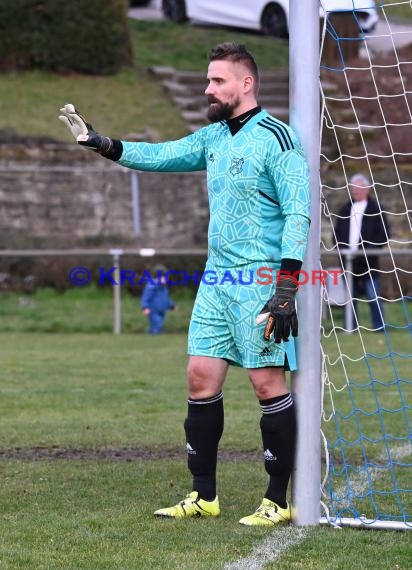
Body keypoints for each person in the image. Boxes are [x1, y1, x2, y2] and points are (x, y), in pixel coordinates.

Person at [58, 42, 311, 526]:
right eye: (208, 79)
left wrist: (286, 286)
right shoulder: (215, 137)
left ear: (246, 83)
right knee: (199, 377)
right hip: (216, 278)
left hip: (260, 278)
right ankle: (204, 496)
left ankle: (279, 500)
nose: (207, 88)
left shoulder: (278, 138)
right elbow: (162, 155)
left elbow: (298, 210)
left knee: (265, 383)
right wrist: (103, 143)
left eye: (217, 80)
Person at [333, 173, 390, 332]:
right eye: (352, 188)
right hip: (348, 261)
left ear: (367, 189)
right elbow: (336, 233)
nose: (354, 191)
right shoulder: (345, 209)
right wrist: (341, 250)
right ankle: (350, 328)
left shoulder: (376, 209)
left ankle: (379, 328)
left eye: (357, 188)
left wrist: (369, 250)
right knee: (351, 297)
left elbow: (384, 234)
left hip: (368, 262)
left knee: (373, 296)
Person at [141, 264, 175, 334]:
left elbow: (166, 299)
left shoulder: (164, 288)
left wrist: (171, 305)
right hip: (153, 310)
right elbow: (146, 297)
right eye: (165, 277)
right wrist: (145, 307)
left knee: (158, 324)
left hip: (162, 311)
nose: (167, 279)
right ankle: (153, 335)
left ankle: (150, 331)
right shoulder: (151, 287)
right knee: (157, 323)